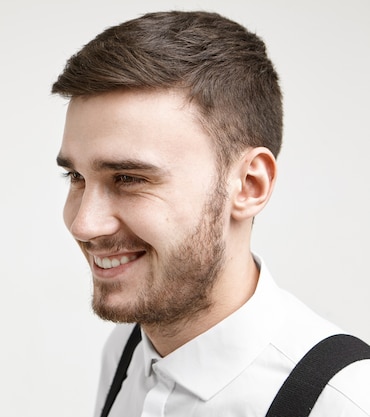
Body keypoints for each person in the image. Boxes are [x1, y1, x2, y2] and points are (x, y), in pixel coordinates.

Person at [52, 11, 370, 417]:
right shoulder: (125, 351)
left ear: (250, 185)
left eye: (129, 178)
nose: (83, 223)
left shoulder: (345, 402)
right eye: (76, 176)